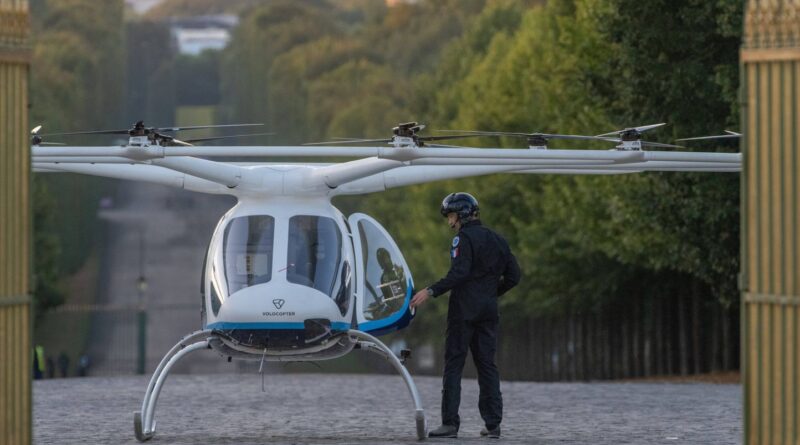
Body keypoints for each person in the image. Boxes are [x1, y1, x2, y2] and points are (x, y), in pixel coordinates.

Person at [410, 192, 520, 439]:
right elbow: (514, 276)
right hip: (489, 311)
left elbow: (459, 273)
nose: (449, 222)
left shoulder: (463, 239)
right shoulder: (499, 240)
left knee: (454, 366)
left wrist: (430, 290)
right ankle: (493, 425)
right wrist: (491, 293)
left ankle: (449, 424)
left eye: (450, 216)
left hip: (463, 312)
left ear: (461, 215)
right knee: (487, 365)